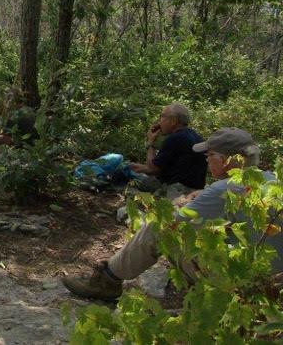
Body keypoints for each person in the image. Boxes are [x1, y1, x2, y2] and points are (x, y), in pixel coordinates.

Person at [62, 128, 283, 301]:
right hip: (273, 283)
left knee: (158, 227)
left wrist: (181, 201)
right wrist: (204, 194)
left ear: (228, 160)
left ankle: (107, 280)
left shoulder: (224, 189)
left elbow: (174, 224)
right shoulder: (271, 180)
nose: (206, 159)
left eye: (211, 154)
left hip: (244, 285)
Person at [129, 103, 207, 190]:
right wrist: (133, 166)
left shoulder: (175, 138)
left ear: (173, 121)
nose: (159, 122)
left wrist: (151, 143)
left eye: (162, 117)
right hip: (195, 189)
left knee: (130, 180)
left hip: (176, 190)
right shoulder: (196, 136)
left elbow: (151, 169)